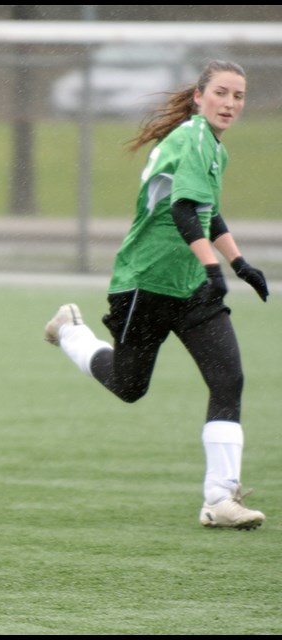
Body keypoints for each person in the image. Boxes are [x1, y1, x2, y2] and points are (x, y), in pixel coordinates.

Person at [43, 60, 268, 530]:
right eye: (222, 93)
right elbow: (185, 211)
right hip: (145, 282)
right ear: (199, 98)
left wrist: (239, 263)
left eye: (238, 96)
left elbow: (210, 215)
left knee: (228, 380)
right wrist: (215, 268)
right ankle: (69, 331)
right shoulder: (190, 138)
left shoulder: (212, 147)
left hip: (191, 288)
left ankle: (220, 499)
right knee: (129, 386)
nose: (230, 103)